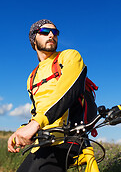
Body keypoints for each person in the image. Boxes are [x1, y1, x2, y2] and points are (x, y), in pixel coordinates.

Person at [8, 19, 88, 172]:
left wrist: (35, 124)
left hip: (67, 139)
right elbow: (36, 112)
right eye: (45, 32)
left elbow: (67, 91)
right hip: (42, 141)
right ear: (33, 39)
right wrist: (21, 130)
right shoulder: (32, 77)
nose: (51, 35)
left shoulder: (69, 56)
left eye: (55, 32)